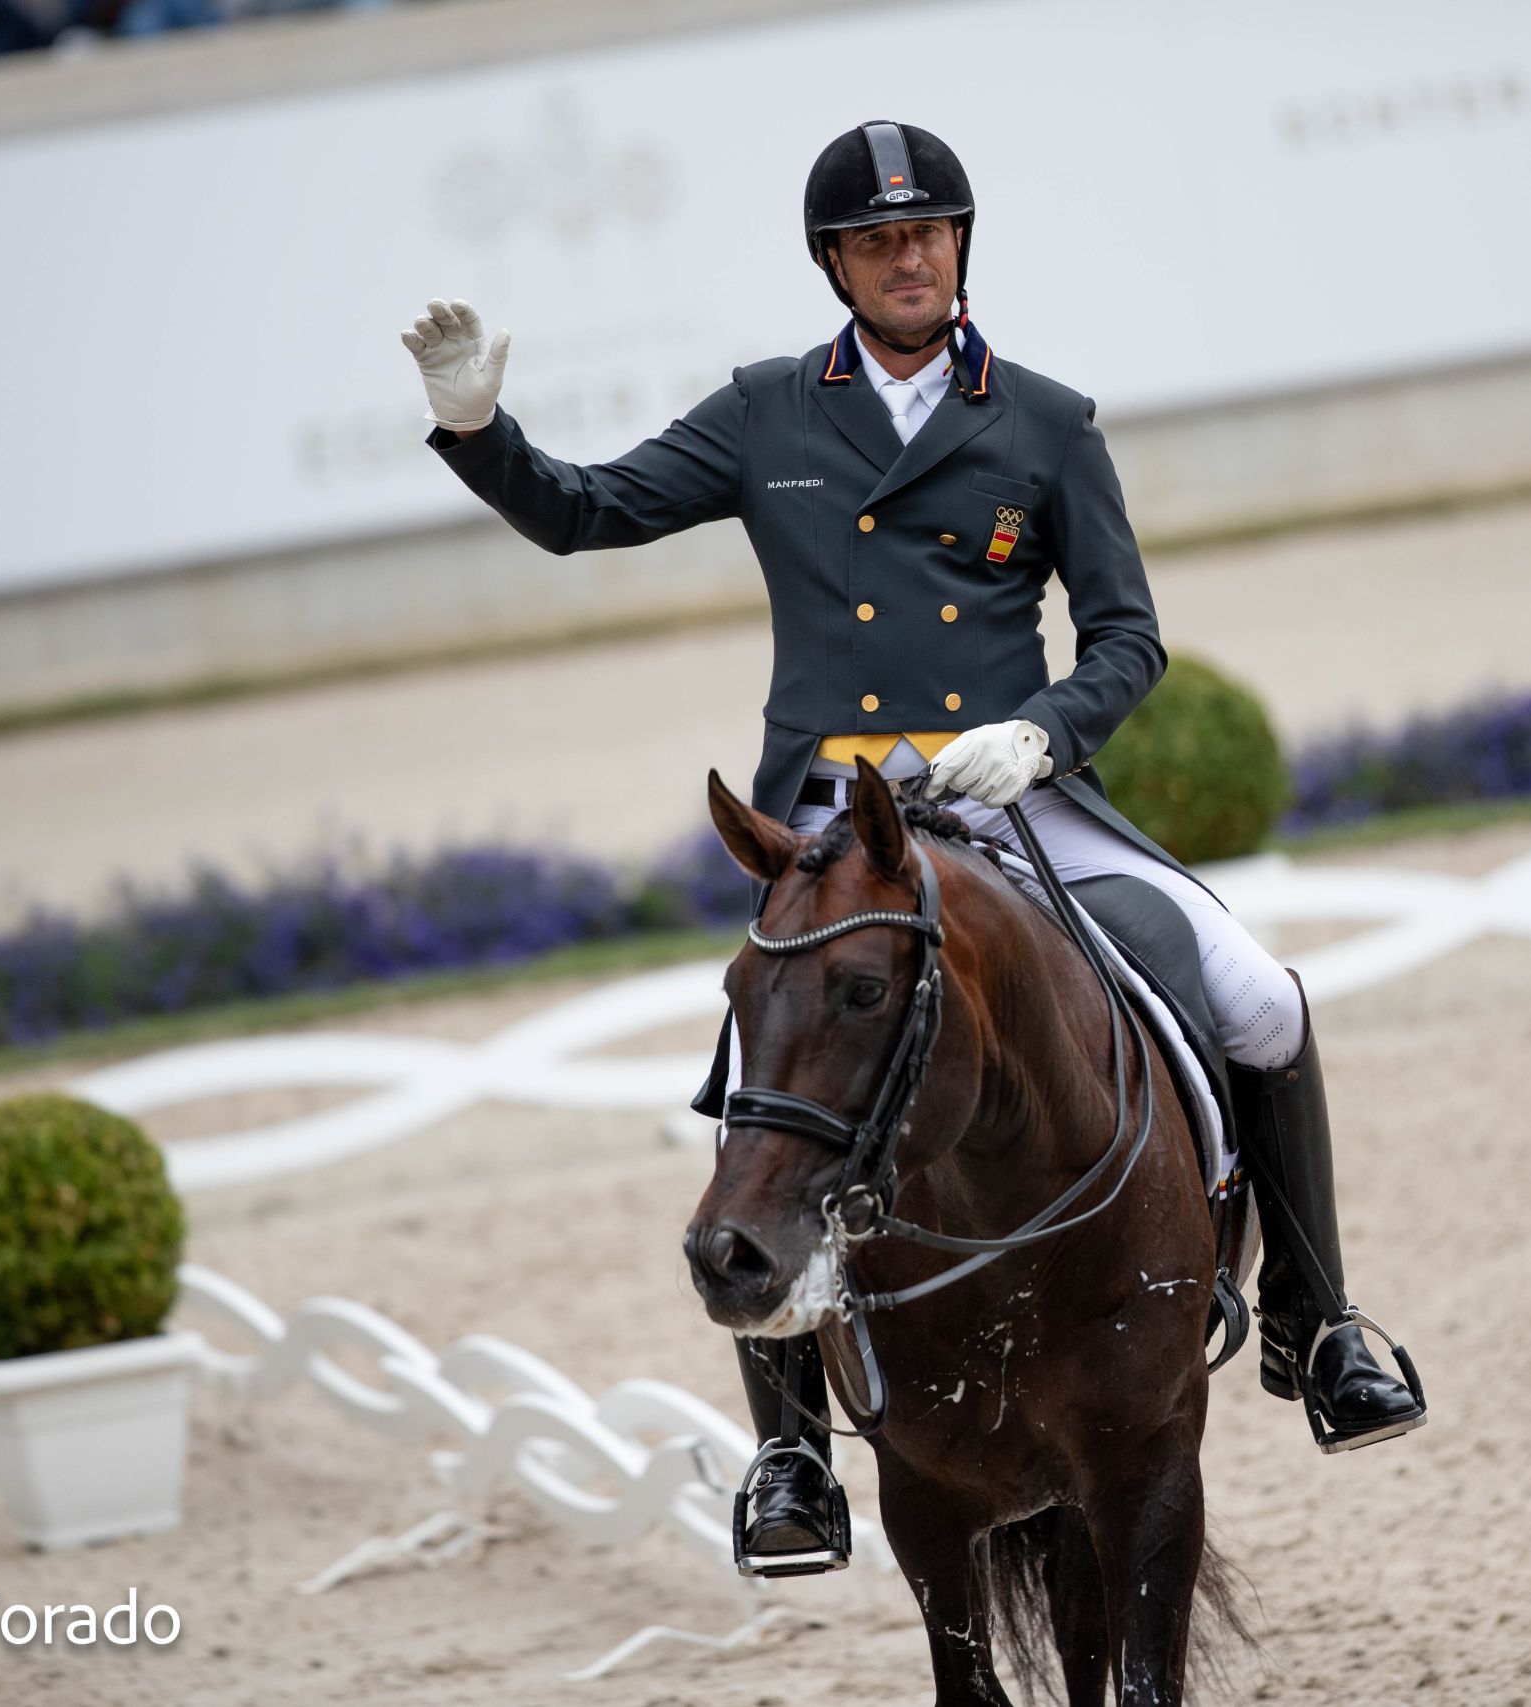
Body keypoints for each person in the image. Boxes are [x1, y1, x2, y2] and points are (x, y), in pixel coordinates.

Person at [403, 119, 1425, 1578]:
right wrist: (475, 431)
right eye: (880, 241)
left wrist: (1049, 732)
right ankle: (794, 1453)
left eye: (930, 233)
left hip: (1008, 790)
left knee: (1258, 994)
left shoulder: (1048, 421)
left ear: (959, 246)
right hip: (833, 817)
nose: (910, 258)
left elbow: (1128, 636)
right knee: (769, 1077)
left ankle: (1322, 1327)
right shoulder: (767, 413)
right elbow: (586, 514)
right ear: (836, 263)